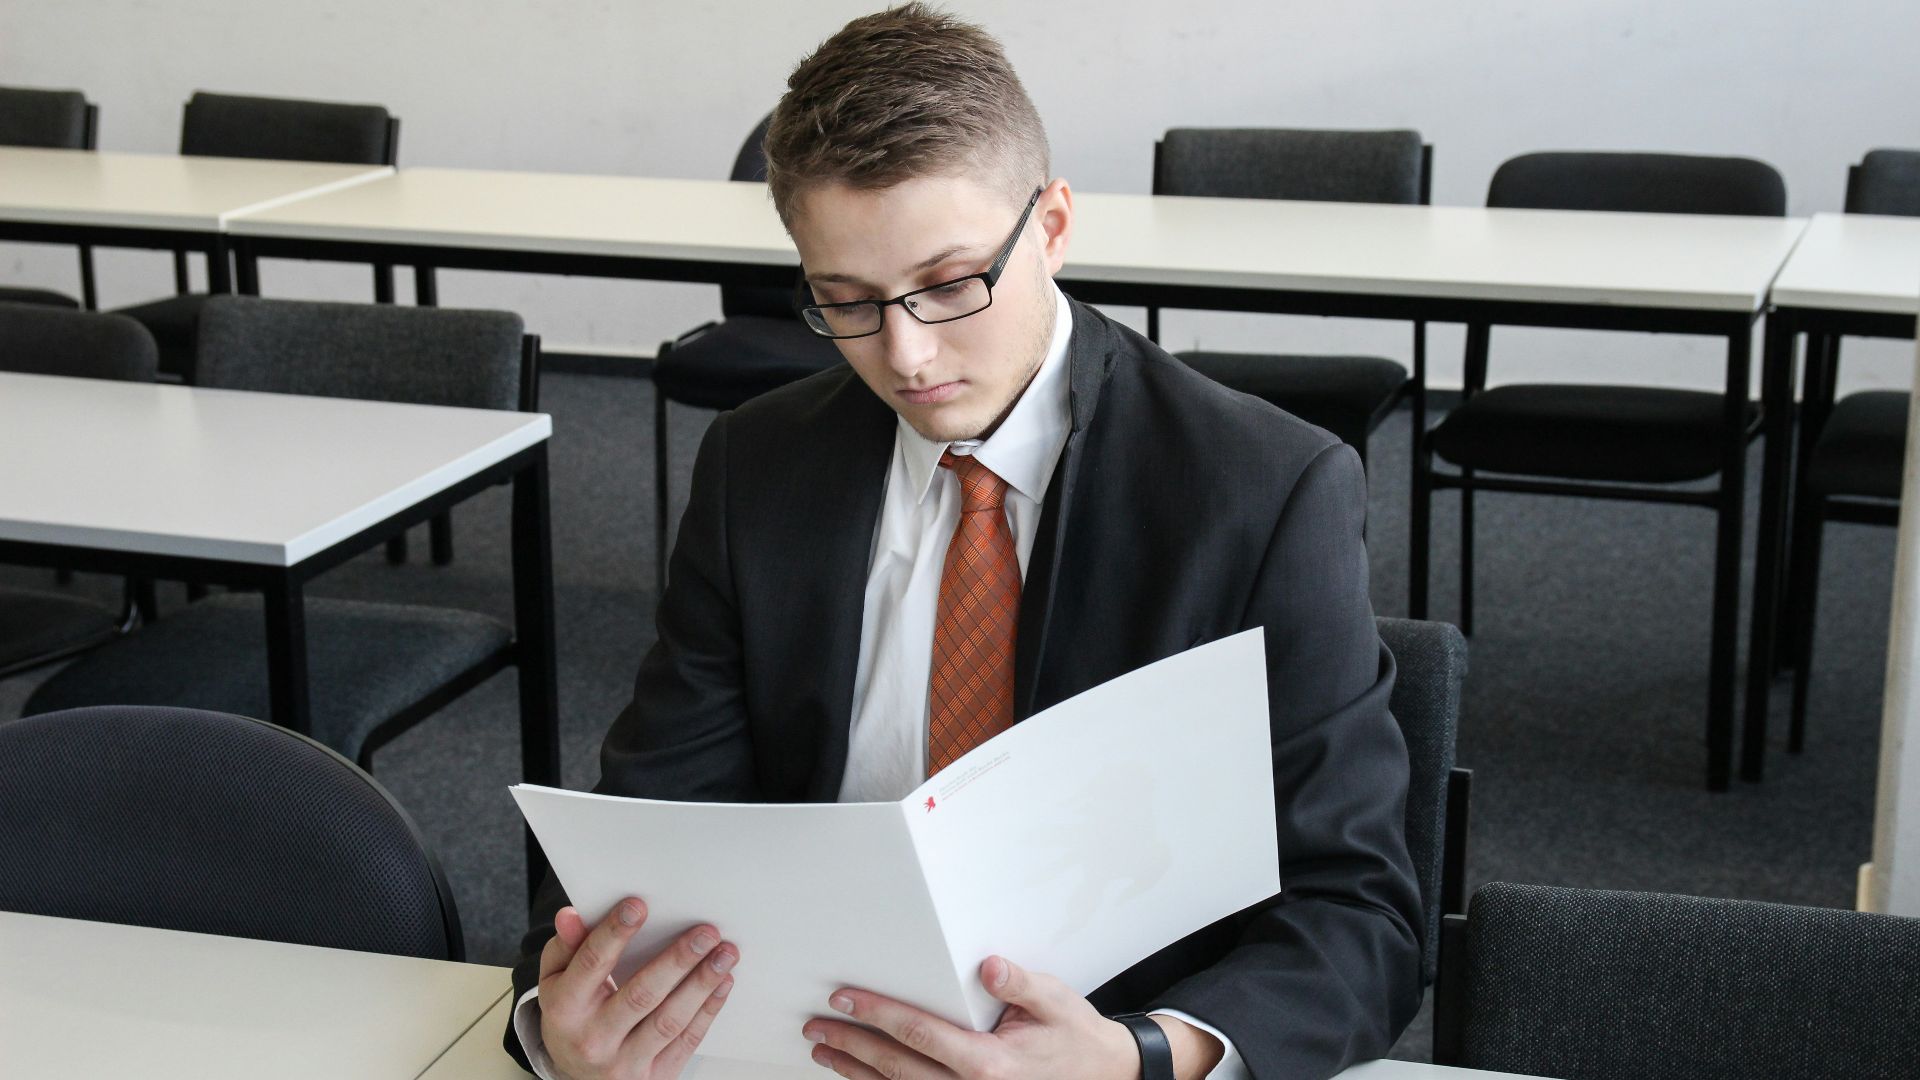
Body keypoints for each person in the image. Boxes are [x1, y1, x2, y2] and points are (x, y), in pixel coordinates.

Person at [506, 5, 1421, 1078]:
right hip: (798, 1043)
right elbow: (651, 823)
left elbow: (1362, 915)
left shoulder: (1262, 491)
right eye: (845, 300)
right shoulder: (759, 466)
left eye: (950, 285)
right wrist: (556, 1017)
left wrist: (1141, 1060)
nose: (906, 353)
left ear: (1055, 226)